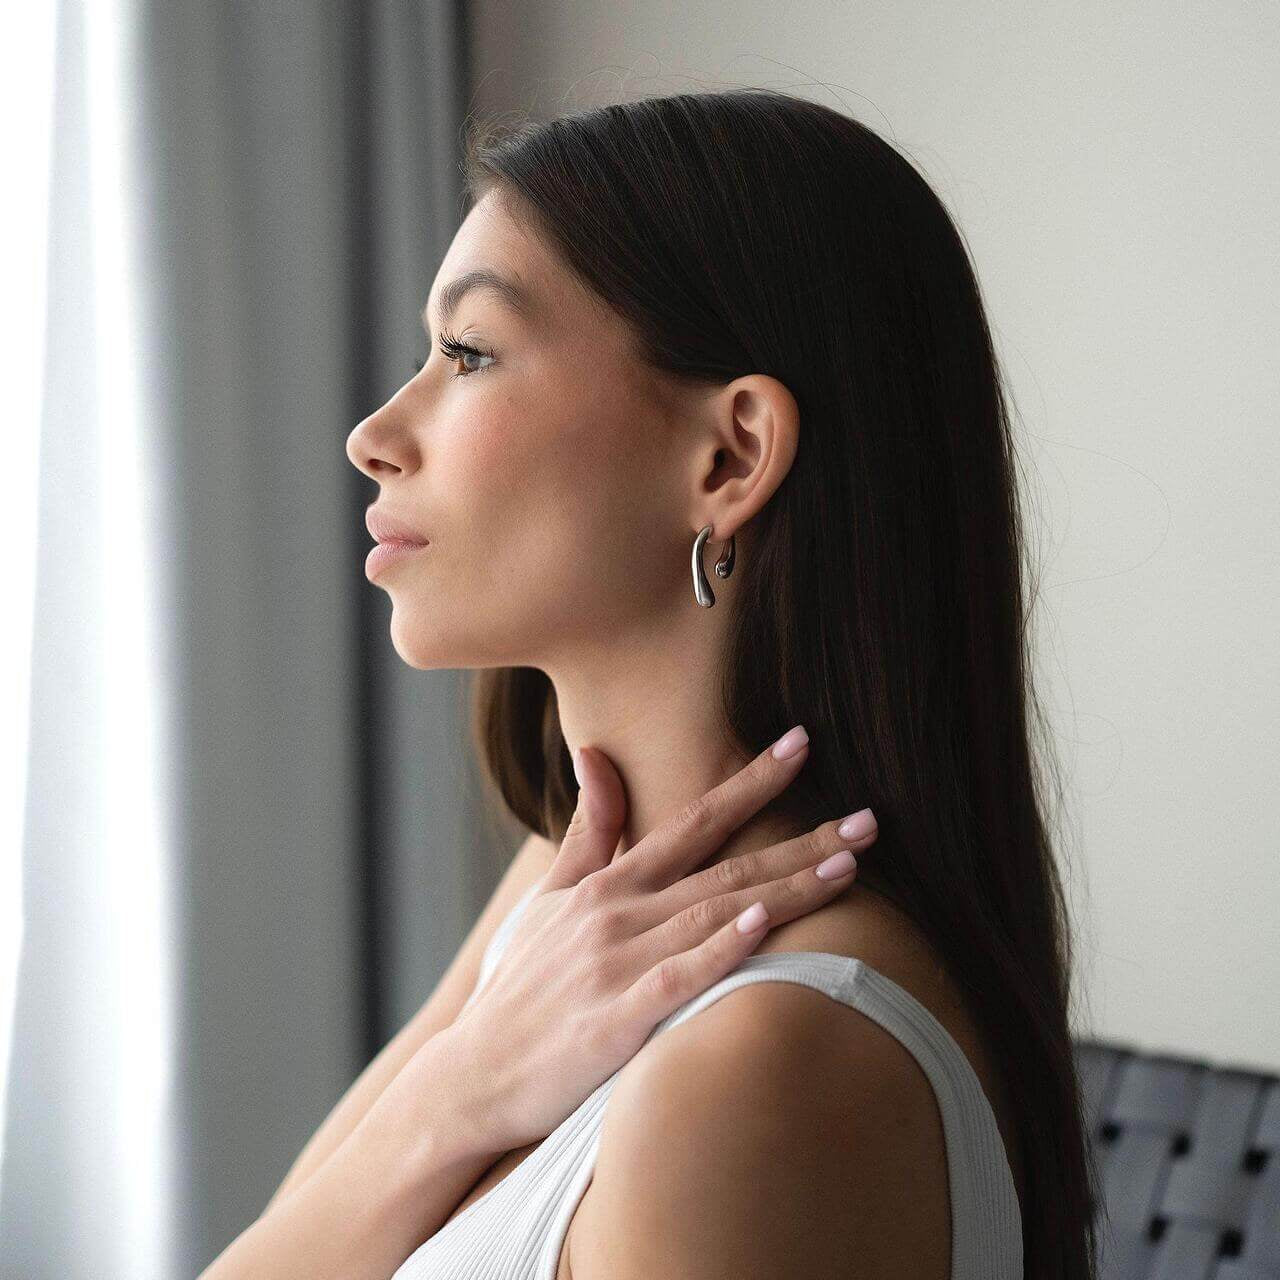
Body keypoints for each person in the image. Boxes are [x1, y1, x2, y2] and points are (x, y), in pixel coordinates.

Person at [211, 88, 1099, 1280]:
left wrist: (455, 1091)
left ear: (730, 455)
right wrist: (456, 1088)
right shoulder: (583, 906)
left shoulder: (761, 1064)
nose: (372, 433)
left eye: (468, 352)